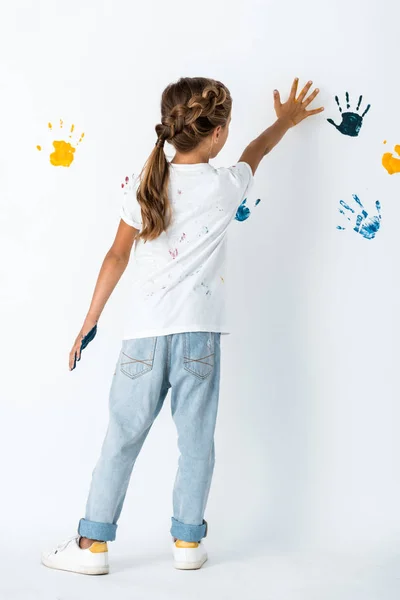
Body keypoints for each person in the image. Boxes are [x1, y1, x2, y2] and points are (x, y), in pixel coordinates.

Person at [41, 76, 323, 575]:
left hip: (142, 341)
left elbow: (115, 255)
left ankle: (91, 548)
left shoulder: (145, 182)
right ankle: (188, 544)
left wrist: (90, 320)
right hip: (199, 339)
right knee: (196, 443)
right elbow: (256, 151)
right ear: (216, 134)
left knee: (121, 439)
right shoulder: (225, 184)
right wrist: (285, 120)